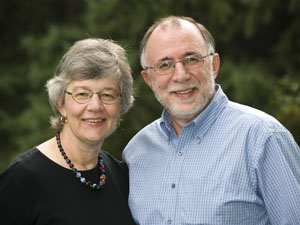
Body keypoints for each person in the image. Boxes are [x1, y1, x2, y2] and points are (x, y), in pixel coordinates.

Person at [122, 16, 300, 225]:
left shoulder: (263, 138)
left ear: (214, 65)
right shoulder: (136, 153)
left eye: (191, 59)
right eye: (165, 64)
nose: (180, 75)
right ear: (149, 79)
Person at [0, 38, 136, 225]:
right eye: (82, 94)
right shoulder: (21, 180)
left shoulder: (122, 177)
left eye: (107, 95)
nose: (95, 106)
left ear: (120, 105)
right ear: (61, 103)